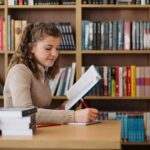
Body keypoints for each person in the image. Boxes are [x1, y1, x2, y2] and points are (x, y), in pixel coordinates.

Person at [3, 22, 99, 124]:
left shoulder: (42, 72)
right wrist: (73, 116)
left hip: (36, 134)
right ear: (31, 48)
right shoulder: (19, 71)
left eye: (57, 48)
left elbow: (41, 114)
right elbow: (26, 114)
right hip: (18, 137)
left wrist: (61, 109)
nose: (55, 54)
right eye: (48, 48)